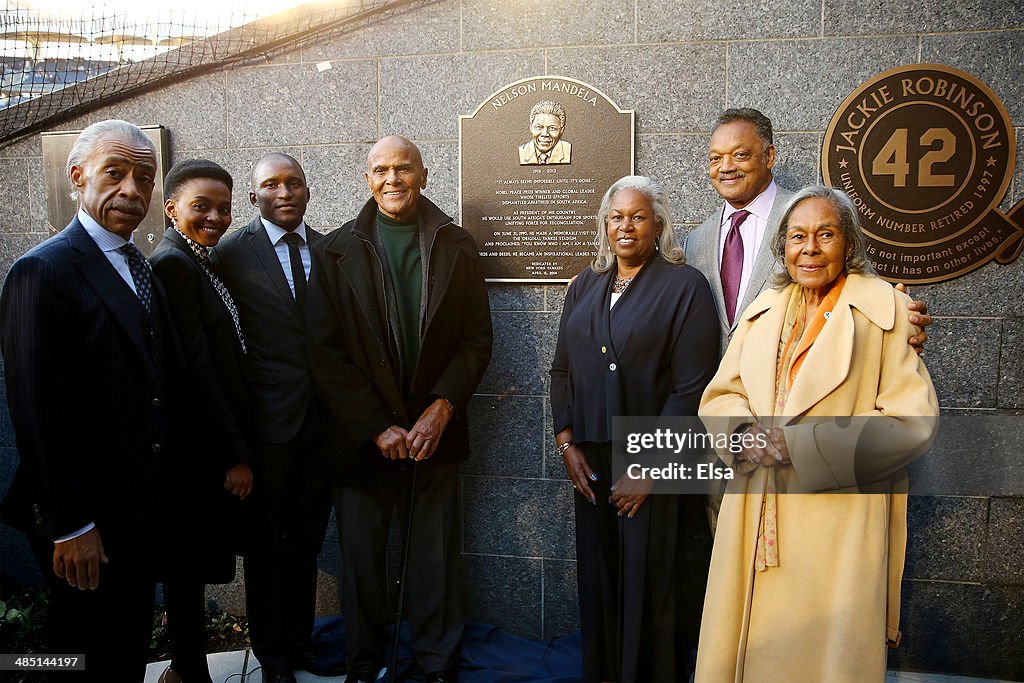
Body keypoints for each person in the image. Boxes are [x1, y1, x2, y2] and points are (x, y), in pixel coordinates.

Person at [695, 186, 939, 683]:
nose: (810, 248)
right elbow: (722, 394)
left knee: (820, 658)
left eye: (825, 235)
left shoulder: (886, 313)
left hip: (837, 522)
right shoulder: (762, 310)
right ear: (782, 247)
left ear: (848, 245)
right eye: (798, 236)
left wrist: (802, 447)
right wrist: (742, 434)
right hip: (755, 515)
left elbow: (911, 423)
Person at [684, 107, 932, 531]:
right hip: (733, 456)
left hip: (829, 493)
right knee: (733, 565)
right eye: (715, 157)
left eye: (741, 154)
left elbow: (860, 294)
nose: (726, 167)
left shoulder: (809, 211)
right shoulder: (697, 239)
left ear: (770, 155)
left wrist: (896, 314)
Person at [308, 135, 492, 683]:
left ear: (425, 175)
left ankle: (435, 663)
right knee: (362, 565)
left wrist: (443, 408)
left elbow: (476, 339)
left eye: (403, 169)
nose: (393, 179)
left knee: (434, 561)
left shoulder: (457, 245)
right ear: (367, 178)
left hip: (434, 435)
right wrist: (372, 426)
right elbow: (324, 351)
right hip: (363, 440)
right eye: (381, 170)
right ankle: (362, 666)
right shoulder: (335, 250)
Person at [0, 119, 174, 681]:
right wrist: (70, 524)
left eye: (144, 178)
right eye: (115, 173)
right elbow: (36, 411)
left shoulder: (137, 264)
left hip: (138, 511)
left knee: (123, 647)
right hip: (83, 517)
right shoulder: (42, 271)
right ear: (78, 176)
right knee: (73, 654)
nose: (132, 189)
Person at [550, 175, 719, 682]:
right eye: (616, 216)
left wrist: (651, 466)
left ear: (658, 224)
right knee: (599, 581)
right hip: (590, 460)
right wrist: (566, 443)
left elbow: (691, 387)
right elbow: (561, 370)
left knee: (648, 582)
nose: (626, 226)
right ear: (605, 224)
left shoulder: (684, 286)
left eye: (638, 216)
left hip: (651, 459)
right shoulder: (585, 284)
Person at [215, 153, 335, 683]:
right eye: (271, 185)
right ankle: (272, 657)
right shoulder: (231, 253)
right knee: (267, 549)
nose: (284, 192)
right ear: (253, 196)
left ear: (308, 191)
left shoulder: (330, 248)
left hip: (323, 427)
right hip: (267, 429)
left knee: (307, 543)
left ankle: (301, 643)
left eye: (294, 183)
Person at [148, 159, 254, 683]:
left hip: (204, 445)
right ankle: (188, 673)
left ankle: (185, 671)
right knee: (184, 571)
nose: (215, 216)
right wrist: (232, 456)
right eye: (201, 206)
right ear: (171, 208)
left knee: (188, 568)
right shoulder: (173, 264)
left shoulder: (199, 260)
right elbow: (196, 370)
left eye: (223, 208)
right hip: (195, 453)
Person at [518, 100, 572, 165]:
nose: (545, 134)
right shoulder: (522, 151)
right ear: (531, 128)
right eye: (539, 127)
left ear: (562, 130)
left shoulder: (568, 151)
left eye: (552, 128)